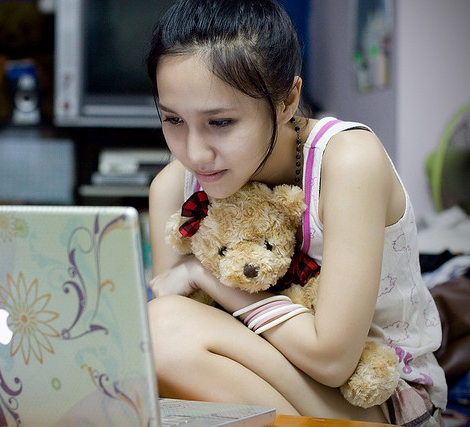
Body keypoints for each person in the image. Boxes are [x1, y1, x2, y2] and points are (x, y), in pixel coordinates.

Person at [144, 0, 447, 425]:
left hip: (381, 400)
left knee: (164, 332)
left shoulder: (348, 160)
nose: (195, 153)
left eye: (221, 122)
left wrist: (203, 275)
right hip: (255, 382)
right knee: (158, 342)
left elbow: (332, 361)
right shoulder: (173, 188)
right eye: (173, 120)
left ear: (288, 100)